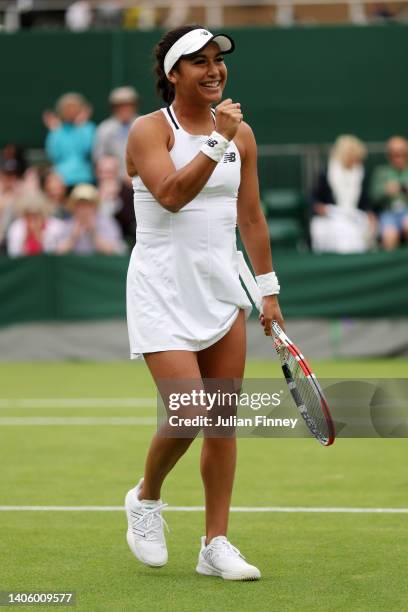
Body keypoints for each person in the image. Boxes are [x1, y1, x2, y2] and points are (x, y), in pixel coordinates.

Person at [125, 25, 284, 581]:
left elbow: (252, 217)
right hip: (161, 290)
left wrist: (267, 291)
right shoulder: (148, 131)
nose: (215, 70)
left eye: (219, 61)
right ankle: (146, 500)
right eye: (200, 62)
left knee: (221, 420)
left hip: (222, 291)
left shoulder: (242, 135)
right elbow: (170, 196)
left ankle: (215, 543)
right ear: (173, 75)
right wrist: (218, 140)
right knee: (188, 409)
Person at [310, 135, 375, 253]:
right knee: (342, 231)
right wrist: (319, 207)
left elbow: (365, 201)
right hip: (331, 218)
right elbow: (314, 198)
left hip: (355, 216)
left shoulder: (361, 173)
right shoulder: (326, 173)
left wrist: (370, 213)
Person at [55, 183, 126, 255]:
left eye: (88, 205)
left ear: (94, 207)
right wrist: (73, 237)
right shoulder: (67, 224)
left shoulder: (107, 223)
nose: (83, 210)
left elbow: (115, 251)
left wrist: (93, 233)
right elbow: (57, 252)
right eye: (80, 205)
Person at [43, 93, 96, 188]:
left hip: (84, 177)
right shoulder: (56, 131)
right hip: (62, 179)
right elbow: (54, 155)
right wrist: (55, 132)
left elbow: (88, 150)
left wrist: (80, 127)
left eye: (74, 108)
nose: (71, 111)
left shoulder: (88, 128)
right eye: (67, 109)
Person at [370, 135, 408, 250]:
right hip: (388, 213)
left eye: (402, 153)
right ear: (389, 156)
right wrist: (385, 191)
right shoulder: (381, 172)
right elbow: (373, 197)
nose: (398, 157)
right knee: (389, 236)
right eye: (395, 154)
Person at [93, 86, 139, 180]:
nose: (124, 109)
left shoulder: (144, 124)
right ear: (114, 108)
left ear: (134, 106)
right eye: (120, 106)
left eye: (128, 105)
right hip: (114, 180)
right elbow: (99, 157)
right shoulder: (105, 128)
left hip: (141, 178)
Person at [6, 193, 65, 257]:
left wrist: (39, 237)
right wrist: (25, 238)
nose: (33, 219)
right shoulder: (16, 227)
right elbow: (14, 254)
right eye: (29, 215)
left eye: (36, 215)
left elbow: (56, 253)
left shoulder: (56, 226)